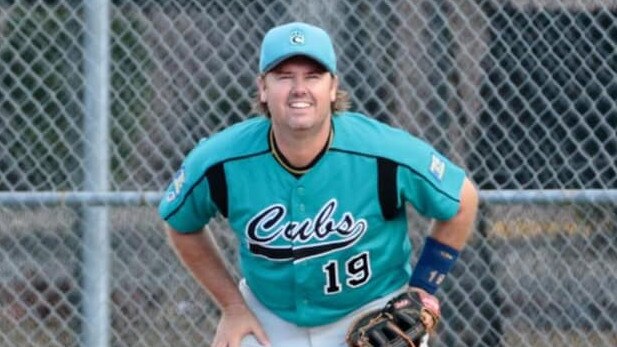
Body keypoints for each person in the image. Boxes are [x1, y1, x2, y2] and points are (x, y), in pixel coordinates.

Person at [158, 21, 478, 347]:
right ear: (263, 88)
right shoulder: (221, 160)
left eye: (313, 76)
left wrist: (422, 289)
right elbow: (181, 224)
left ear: (332, 87)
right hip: (270, 314)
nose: (300, 88)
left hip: (372, 311)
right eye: (284, 76)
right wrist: (232, 306)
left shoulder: (384, 152)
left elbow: (462, 200)